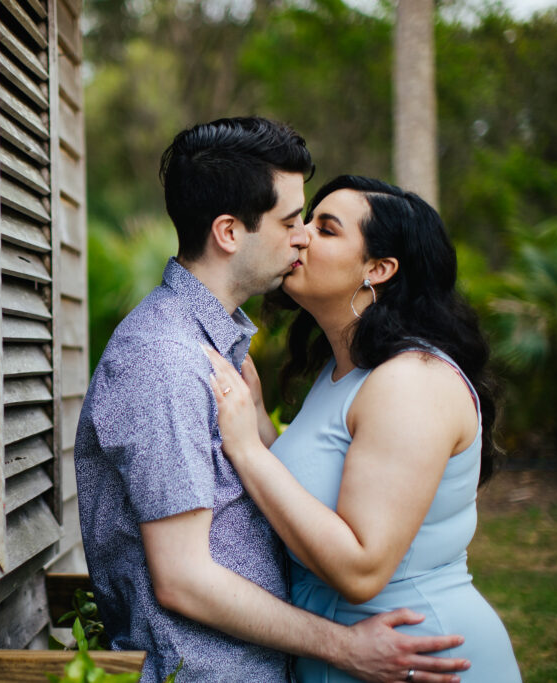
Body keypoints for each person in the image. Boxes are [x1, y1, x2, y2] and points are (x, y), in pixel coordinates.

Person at [75, 118, 470, 682]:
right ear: (230, 232)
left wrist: (258, 433)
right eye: (290, 220)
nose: (302, 236)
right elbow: (183, 577)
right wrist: (342, 646)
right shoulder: (164, 358)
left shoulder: (220, 351)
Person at [204, 175, 521, 682]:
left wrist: (248, 451)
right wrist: (261, 426)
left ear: (379, 269)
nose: (300, 234)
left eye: (325, 229)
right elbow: (327, 491)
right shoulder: (349, 374)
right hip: (354, 659)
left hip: (421, 658)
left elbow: (361, 568)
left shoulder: (413, 381)